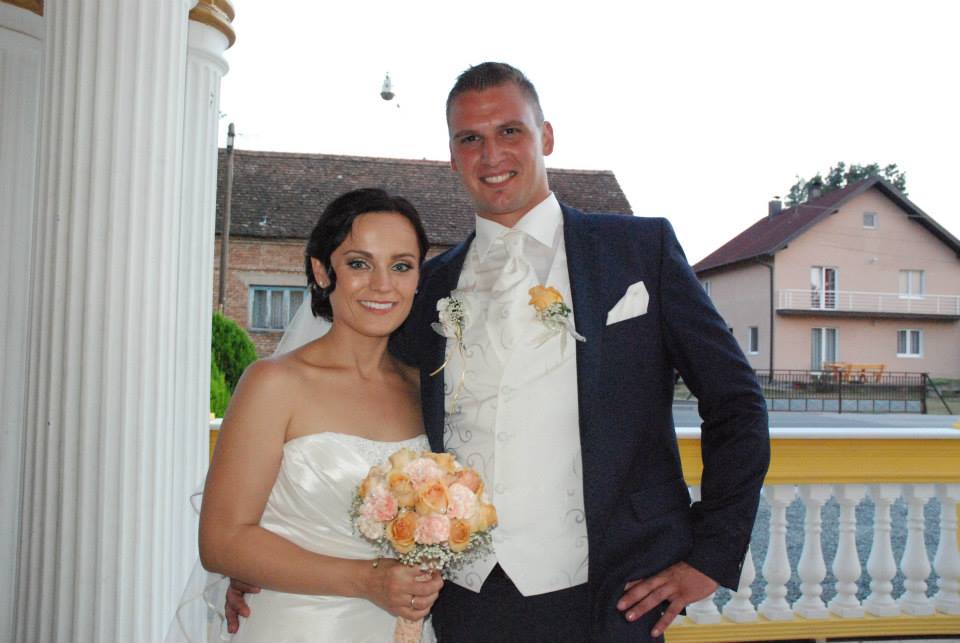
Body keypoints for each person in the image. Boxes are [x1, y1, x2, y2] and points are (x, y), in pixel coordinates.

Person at [229, 63, 769, 642]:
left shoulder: (639, 250)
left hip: (613, 593)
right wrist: (274, 551)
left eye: (510, 131)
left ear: (546, 136)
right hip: (461, 601)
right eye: (470, 139)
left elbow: (735, 403)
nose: (491, 154)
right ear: (452, 155)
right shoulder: (426, 286)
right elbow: (359, 410)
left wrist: (710, 556)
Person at [200, 188, 444, 642]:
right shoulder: (274, 383)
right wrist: (368, 580)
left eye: (401, 266)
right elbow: (221, 542)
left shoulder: (423, 387)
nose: (382, 284)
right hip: (299, 625)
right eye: (359, 263)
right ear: (321, 270)